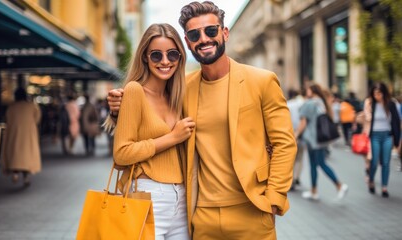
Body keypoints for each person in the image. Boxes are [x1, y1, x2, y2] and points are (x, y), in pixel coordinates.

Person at [106, 2, 297, 239]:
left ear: (224, 33)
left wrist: (275, 198)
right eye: (195, 34)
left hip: (251, 209)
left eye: (211, 31)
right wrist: (118, 110)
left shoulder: (262, 81)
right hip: (200, 214)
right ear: (188, 42)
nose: (204, 39)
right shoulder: (184, 87)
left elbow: (284, 143)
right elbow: (151, 111)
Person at [111, 23, 194, 239]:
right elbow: (122, 153)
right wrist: (172, 137)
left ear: (180, 57)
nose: (165, 62)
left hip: (182, 197)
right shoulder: (134, 91)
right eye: (156, 55)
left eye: (172, 54)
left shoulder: (176, 95)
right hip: (149, 195)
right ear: (145, 58)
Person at [295, 83, 349, 201]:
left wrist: (296, 135)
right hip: (321, 139)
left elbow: (303, 122)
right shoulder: (322, 102)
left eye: (308, 89)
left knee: (319, 164)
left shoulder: (309, 103)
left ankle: (339, 185)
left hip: (312, 139)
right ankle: (314, 191)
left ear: (312, 91)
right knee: (315, 164)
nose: (306, 91)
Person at [362, 82, 400, 198]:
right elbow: (366, 118)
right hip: (374, 136)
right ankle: (371, 180)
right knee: (373, 162)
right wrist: (367, 109)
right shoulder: (370, 104)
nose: (377, 96)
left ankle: (384, 187)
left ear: (384, 93)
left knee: (386, 162)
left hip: (387, 136)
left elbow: (396, 122)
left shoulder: (391, 104)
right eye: (374, 93)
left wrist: (397, 140)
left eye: (379, 93)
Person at [2, 87, 41, 187]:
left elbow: (7, 119)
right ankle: (26, 176)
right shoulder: (32, 106)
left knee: (15, 153)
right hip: (28, 134)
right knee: (27, 155)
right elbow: (37, 118)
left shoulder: (12, 107)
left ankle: (15, 173)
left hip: (14, 133)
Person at [287, 89, 306, 190]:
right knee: (300, 157)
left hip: (291, 132)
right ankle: (297, 177)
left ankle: (291, 180)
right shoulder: (302, 104)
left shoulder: (288, 104)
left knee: (292, 158)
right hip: (301, 132)